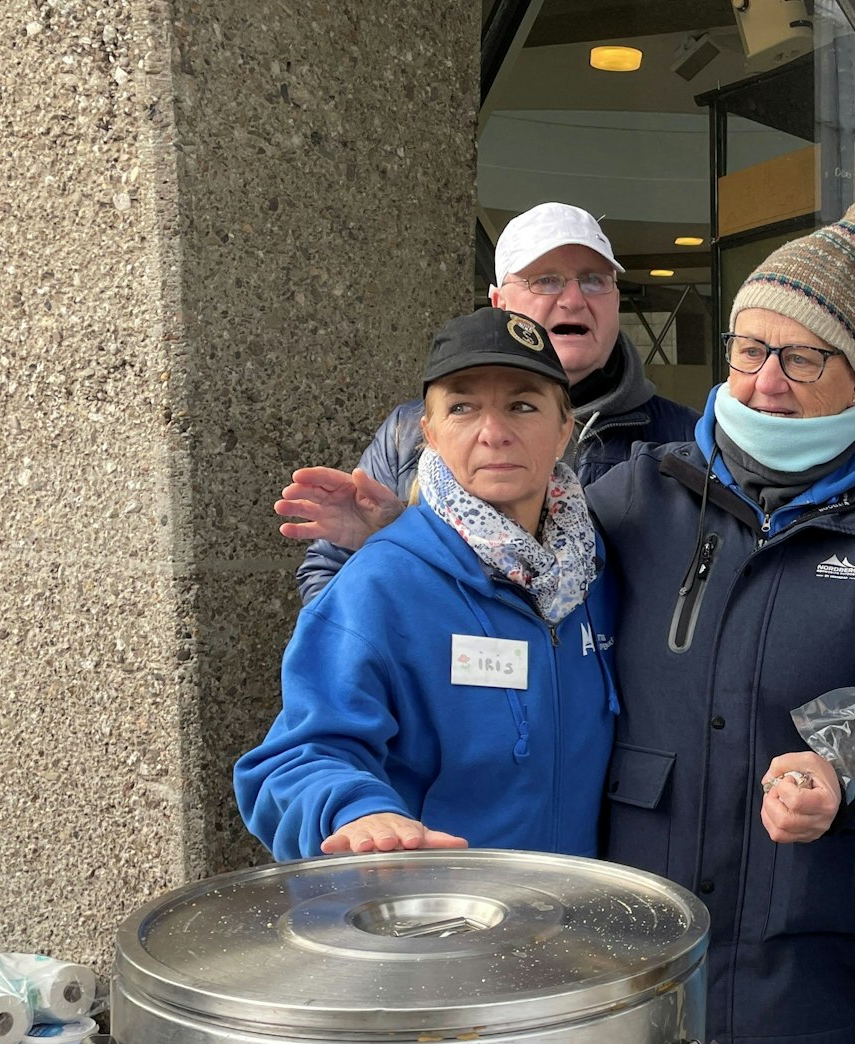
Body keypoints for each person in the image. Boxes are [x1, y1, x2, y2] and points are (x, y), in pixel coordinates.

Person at [589, 199, 855, 1044]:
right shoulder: (641, 489)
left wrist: (844, 781)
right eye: (749, 349)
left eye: (800, 357)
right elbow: (514, 568)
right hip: (650, 938)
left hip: (808, 947)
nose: (765, 380)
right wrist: (395, 532)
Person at [235, 308, 616, 861]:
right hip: (437, 923)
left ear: (563, 430)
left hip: (572, 917)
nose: (494, 432)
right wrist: (359, 811)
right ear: (431, 434)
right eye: (462, 408)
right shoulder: (382, 582)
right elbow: (294, 758)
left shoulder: (598, 570)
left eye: (523, 405)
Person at [279, 202, 698, 602]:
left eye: (594, 280)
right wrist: (393, 542)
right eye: (546, 280)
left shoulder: (684, 443)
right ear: (499, 302)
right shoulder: (408, 434)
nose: (573, 300)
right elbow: (329, 579)